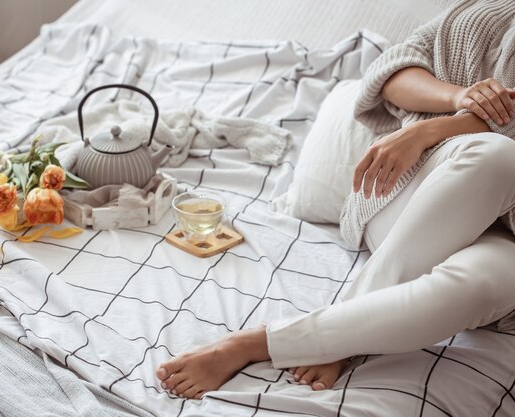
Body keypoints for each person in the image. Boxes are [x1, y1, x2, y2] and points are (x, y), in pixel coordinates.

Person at [156, 0, 515, 399]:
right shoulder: (486, 10)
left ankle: (264, 341)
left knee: (487, 284)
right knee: (497, 156)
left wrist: (434, 130)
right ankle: (329, 335)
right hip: (423, 200)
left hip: (503, 239)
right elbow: (393, 69)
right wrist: (460, 97)